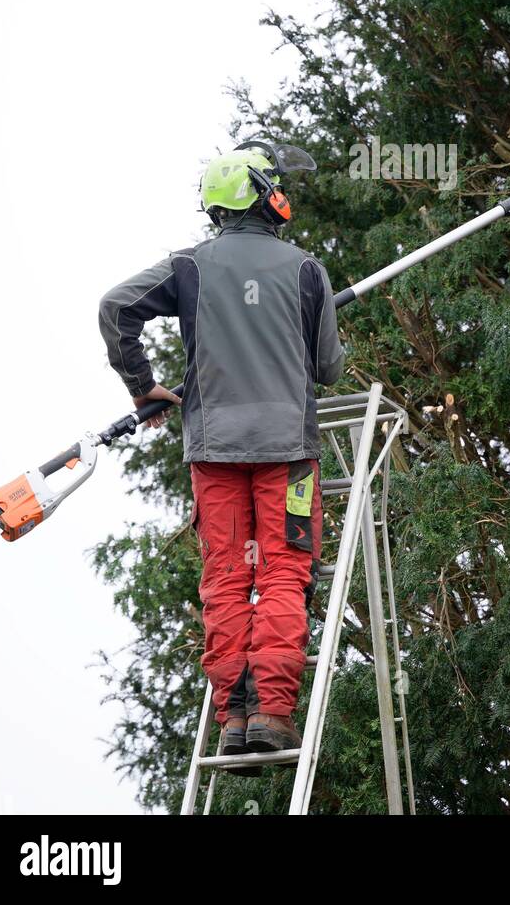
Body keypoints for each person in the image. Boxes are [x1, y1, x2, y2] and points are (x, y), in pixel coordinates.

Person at [98, 140, 344, 755]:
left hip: (213, 452)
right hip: (288, 450)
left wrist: (142, 385)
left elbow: (116, 307)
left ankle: (233, 722)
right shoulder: (308, 270)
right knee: (285, 572)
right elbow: (329, 370)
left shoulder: (188, 267)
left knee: (228, 578)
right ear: (263, 196)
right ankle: (271, 711)